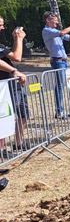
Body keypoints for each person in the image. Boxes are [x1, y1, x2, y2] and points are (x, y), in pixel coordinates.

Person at [42, 12, 70, 119]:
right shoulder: (47, 31)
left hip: (63, 61)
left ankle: (61, 110)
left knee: (62, 85)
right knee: (59, 86)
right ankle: (59, 112)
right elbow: (63, 32)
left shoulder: (55, 32)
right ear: (48, 20)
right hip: (58, 61)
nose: (57, 22)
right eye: (55, 20)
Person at [0, 17, 29, 146]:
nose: (3, 28)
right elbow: (17, 57)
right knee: (4, 117)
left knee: (23, 113)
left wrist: (15, 39)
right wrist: (19, 39)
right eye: (0, 25)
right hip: (5, 85)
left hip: (11, 83)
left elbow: (12, 54)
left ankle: (18, 142)